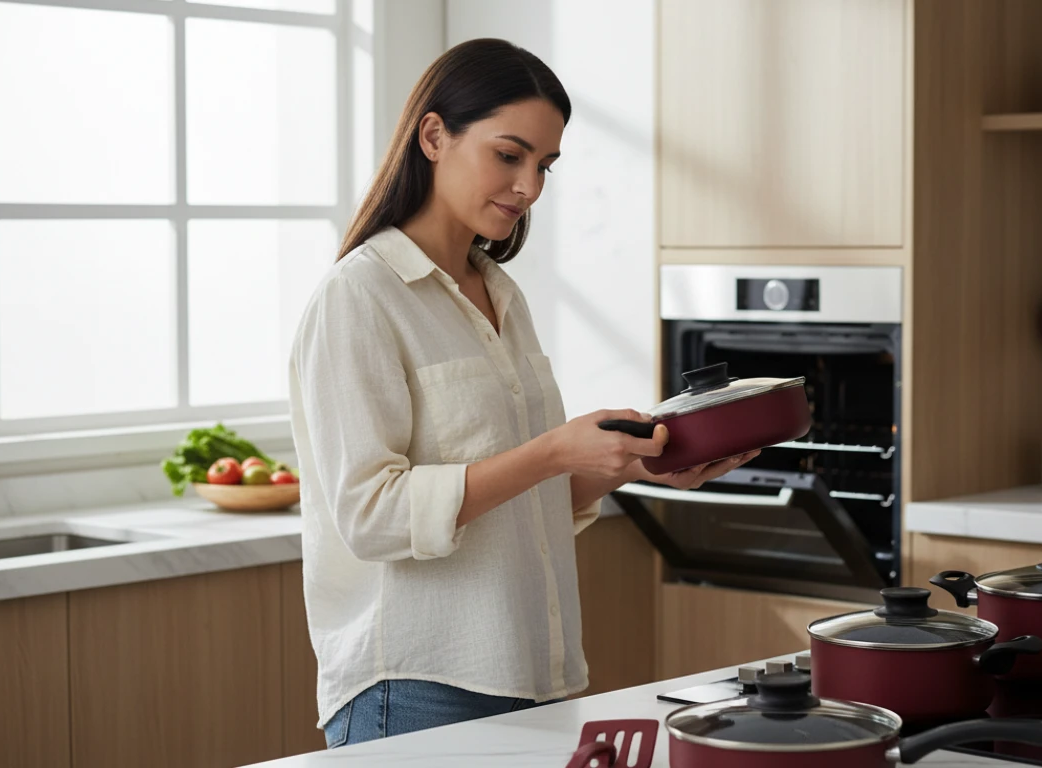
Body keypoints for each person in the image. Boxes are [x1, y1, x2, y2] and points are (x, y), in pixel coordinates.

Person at [288, 38, 758, 748]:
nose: (530, 186)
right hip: (415, 687)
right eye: (510, 156)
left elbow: (505, 509)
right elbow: (371, 516)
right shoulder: (360, 297)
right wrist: (550, 454)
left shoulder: (501, 295)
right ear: (435, 135)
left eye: (544, 165)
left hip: (532, 676)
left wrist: (622, 468)